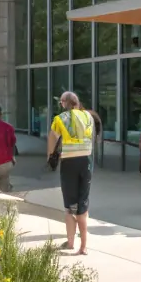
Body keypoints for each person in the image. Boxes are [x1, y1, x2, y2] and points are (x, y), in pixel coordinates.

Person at [47, 91, 95, 255]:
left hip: (69, 162)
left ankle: (71, 243)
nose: (60, 105)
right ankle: (84, 246)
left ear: (66, 103)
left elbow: (53, 137)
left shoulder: (60, 118)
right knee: (83, 204)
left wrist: (50, 156)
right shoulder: (88, 116)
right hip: (86, 161)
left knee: (69, 207)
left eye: (61, 102)